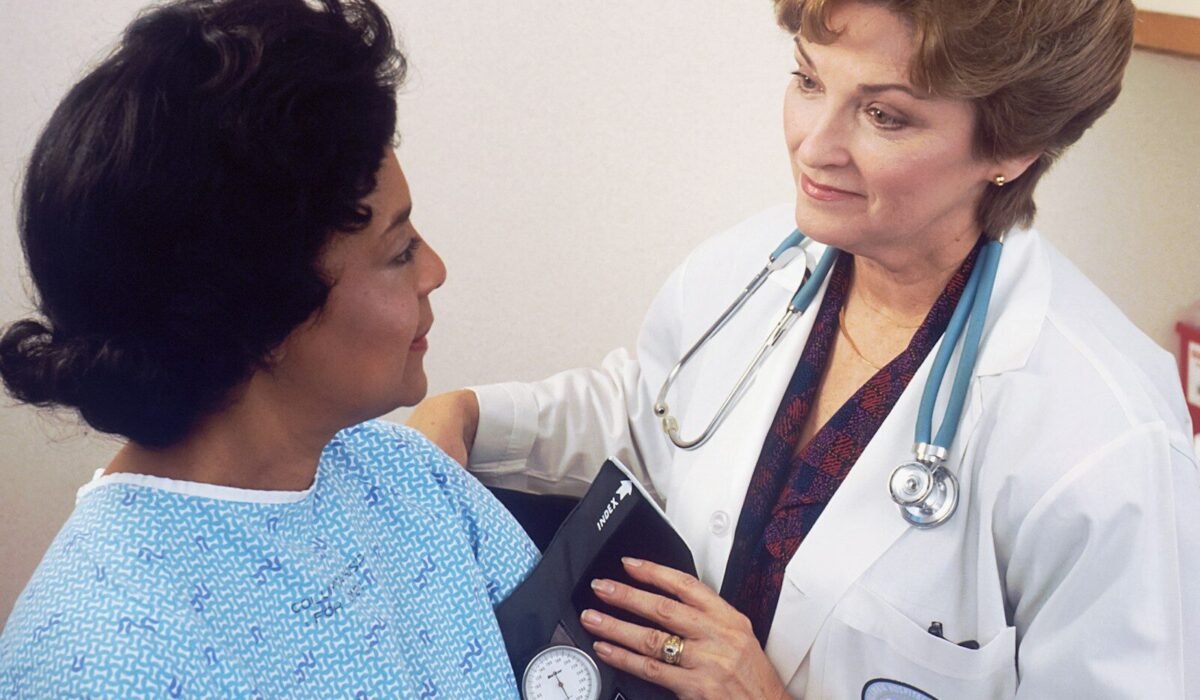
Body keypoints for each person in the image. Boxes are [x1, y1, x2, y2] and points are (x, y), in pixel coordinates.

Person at [409, 0, 1200, 697]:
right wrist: (472, 416)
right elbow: (650, 410)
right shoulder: (755, 265)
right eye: (809, 80)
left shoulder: (1104, 438)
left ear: (1014, 147)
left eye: (885, 115)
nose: (813, 146)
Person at [0, 0, 539, 696]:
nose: (434, 269)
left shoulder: (404, 474)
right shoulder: (103, 658)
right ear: (261, 312)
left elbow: (573, 666)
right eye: (399, 250)